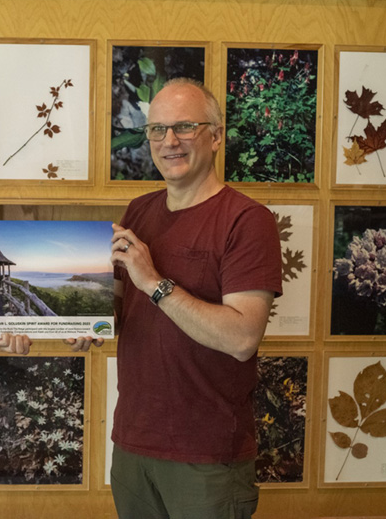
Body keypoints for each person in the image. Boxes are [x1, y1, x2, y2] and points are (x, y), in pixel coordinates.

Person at [66, 78, 282, 519]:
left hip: (206, 457)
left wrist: (154, 282)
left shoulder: (247, 221)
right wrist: (81, 325)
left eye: (185, 126)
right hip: (133, 445)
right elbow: (118, 310)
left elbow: (242, 337)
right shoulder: (138, 212)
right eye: (157, 130)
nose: (169, 142)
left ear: (217, 135)